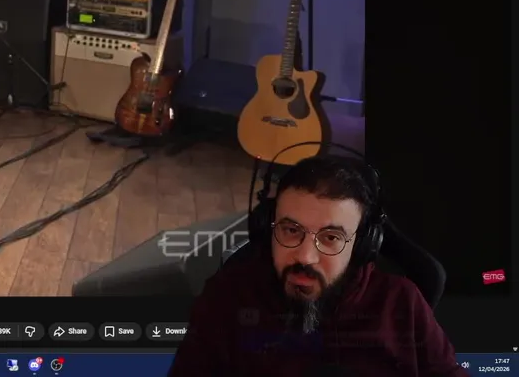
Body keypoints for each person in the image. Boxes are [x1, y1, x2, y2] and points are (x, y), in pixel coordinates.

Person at [168, 155, 467, 377]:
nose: (305, 257)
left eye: (331, 237)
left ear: (362, 244)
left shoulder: (402, 302)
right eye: (291, 230)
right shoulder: (228, 296)